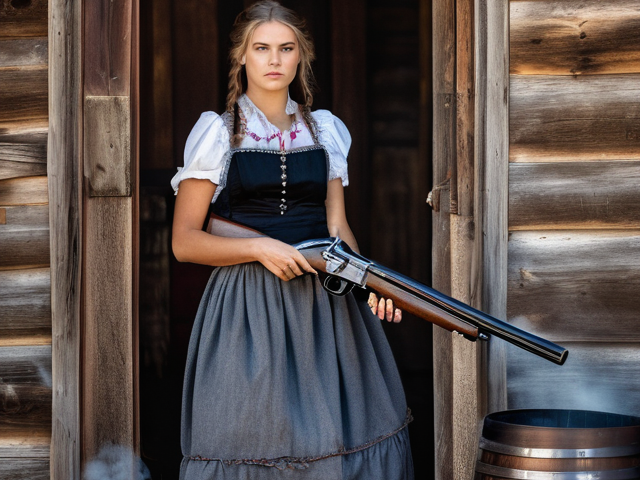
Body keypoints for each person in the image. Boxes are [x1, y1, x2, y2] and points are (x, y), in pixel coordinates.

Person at [171, 1, 414, 478]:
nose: (274, 60)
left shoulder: (325, 129)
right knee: (256, 433)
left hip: (324, 305)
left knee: (338, 434)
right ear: (241, 56)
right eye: (261, 49)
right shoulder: (218, 134)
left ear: (301, 56)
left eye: (286, 48)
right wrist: (259, 248)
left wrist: (371, 284)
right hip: (247, 307)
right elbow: (185, 241)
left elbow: (337, 227)